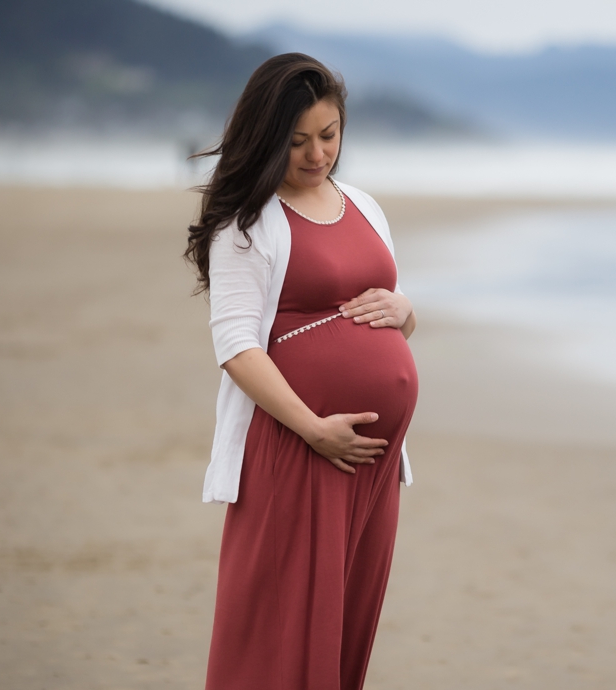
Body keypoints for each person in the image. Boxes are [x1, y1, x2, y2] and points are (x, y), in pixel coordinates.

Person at [186, 53, 418, 690]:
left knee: (346, 623)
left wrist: (406, 312)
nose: (318, 154)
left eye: (329, 134)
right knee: (283, 627)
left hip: (371, 459)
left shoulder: (362, 205)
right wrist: (314, 430)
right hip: (299, 445)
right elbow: (237, 346)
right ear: (266, 137)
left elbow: (387, 313)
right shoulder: (248, 222)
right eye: (296, 141)